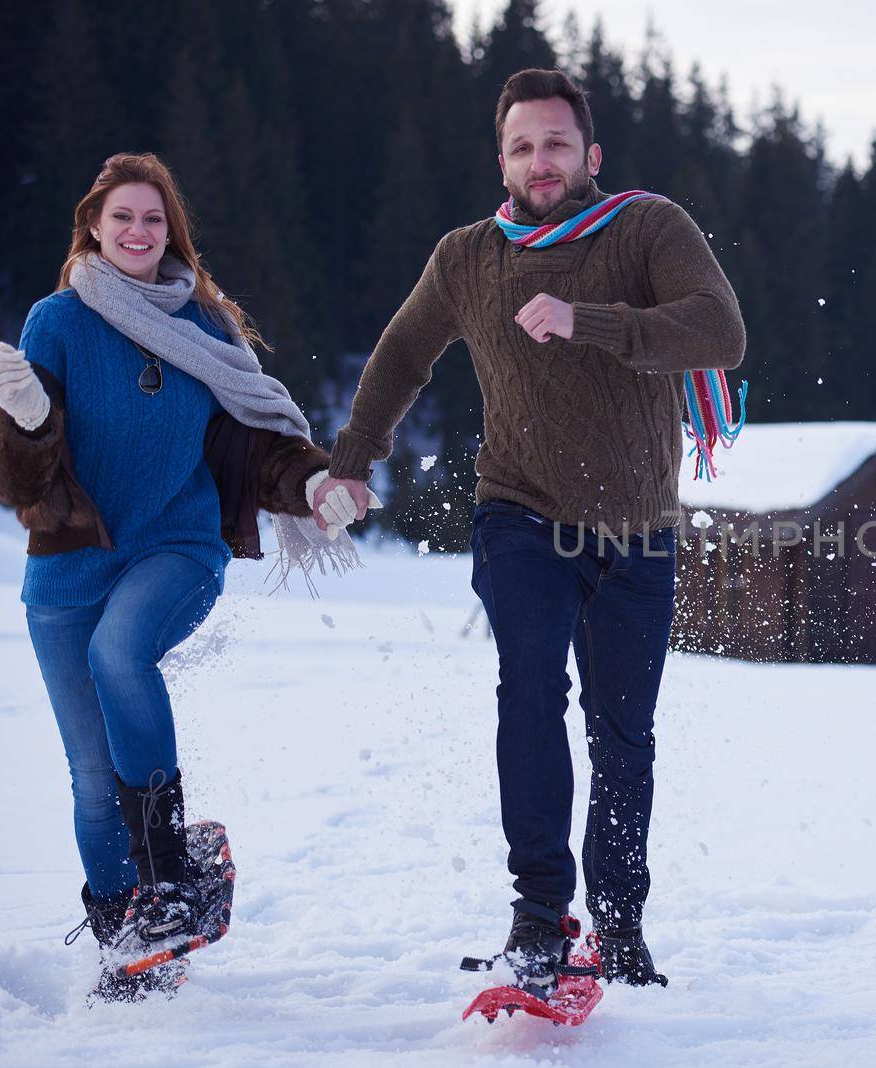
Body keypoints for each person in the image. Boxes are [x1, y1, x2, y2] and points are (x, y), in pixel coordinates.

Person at [313, 68, 744, 993]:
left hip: (637, 527)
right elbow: (401, 352)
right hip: (519, 513)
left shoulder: (646, 228)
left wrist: (588, 321)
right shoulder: (468, 256)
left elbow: (718, 331)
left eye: (555, 144)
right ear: (500, 160)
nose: (539, 161)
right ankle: (541, 915)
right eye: (521, 146)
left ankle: (620, 923)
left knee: (623, 735)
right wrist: (353, 457)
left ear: (589, 155)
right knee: (529, 690)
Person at [0, 152, 372, 1000]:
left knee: (121, 656)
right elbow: (14, 480)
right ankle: (132, 944)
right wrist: (29, 421)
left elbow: (258, 436)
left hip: (177, 547)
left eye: (152, 219)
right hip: (65, 573)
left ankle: (166, 881)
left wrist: (310, 483)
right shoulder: (56, 322)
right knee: (90, 780)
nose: (137, 231)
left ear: (172, 232)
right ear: (92, 225)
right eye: (121, 217)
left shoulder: (203, 328)